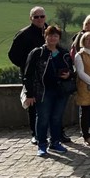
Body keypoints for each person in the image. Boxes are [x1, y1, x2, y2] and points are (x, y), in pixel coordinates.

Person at [23, 25, 74, 156]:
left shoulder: (64, 53)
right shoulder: (37, 53)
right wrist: (29, 93)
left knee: (57, 118)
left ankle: (55, 142)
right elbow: (28, 74)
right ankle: (42, 144)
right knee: (43, 118)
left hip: (60, 91)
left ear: (59, 38)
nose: (52, 38)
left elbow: (72, 71)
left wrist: (68, 75)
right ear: (45, 37)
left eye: (55, 36)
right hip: (43, 91)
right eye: (50, 35)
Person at [9, 6, 48, 145]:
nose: (39, 19)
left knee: (52, 104)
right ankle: (36, 134)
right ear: (31, 18)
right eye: (36, 17)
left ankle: (57, 133)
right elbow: (12, 55)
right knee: (33, 105)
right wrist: (26, 66)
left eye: (42, 16)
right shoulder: (23, 34)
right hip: (31, 76)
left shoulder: (51, 31)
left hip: (49, 75)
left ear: (45, 17)